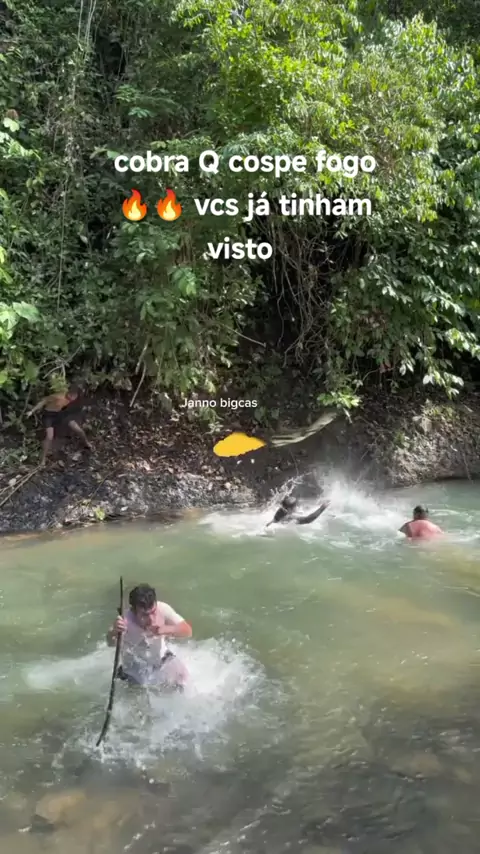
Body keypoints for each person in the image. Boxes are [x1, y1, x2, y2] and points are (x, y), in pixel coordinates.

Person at [107, 584, 192, 690]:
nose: (151, 619)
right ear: (134, 611)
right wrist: (114, 632)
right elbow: (110, 643)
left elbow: (187, 631)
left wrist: (166, 629)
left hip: (162, 659)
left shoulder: (163, 609)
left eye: (153, 612)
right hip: (133, 669)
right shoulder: (125, 621)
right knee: (138, 693)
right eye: (144, 615)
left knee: (183, 677)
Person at [26, 385, 92, 466]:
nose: (72, 398)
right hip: (49, 416)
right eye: (71, 395)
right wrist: (32, 411)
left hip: (60, 414)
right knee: (49, 436)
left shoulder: (73, 400)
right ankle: (43, 459)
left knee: (77, 429)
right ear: (68, 393)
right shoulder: (58, 396)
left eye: (74, 396)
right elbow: (43, 401)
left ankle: (86, 443)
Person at [266, 494, 330, 527]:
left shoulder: (282, 509)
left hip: (278, 521)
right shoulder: (289, 517)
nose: (297, 506)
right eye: (296, 506)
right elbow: (308, 520)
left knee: (305, 508)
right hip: (288, 528)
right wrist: (322, 508)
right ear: (289, 509)